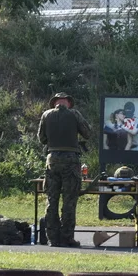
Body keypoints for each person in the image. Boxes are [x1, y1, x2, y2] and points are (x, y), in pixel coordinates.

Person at [37, 92, 92, 247]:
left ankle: (53, 238)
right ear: (68, 102)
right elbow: (87, 133)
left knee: (51, 200)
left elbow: (41, 138)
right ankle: (67, 238)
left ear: (54, 102)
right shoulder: (74, 114)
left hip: (52, 160)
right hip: (71, 161)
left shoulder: (46, 115)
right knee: (69, 200)